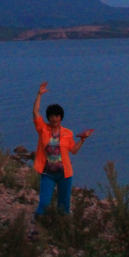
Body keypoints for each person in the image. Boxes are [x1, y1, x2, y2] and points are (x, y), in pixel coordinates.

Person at [32, 81, 94, 216]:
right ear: (48, 118)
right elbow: (35, 112)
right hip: (47, 173)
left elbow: (74, 150)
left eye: (57, 116)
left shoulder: (67, 133)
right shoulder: (43, 129)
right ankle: (39, 224)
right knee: (44, 202)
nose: (54, 119)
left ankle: (61, 227)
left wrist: (82, 139)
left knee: (64, 204)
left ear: (61, 117)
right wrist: (39, 95)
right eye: (52, 116)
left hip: (64, 174)